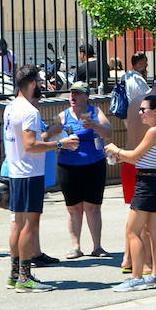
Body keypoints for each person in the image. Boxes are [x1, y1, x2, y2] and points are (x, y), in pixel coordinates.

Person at [5, 66, 78, 291]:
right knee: (29, 224)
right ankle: (24, 277)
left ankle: (15, 273)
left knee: (18, 223)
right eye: (39, 81)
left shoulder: (10, 107)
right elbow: (31, 145)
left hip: (17, 172)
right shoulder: (29, 111)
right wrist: (60, 143)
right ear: (33, 83)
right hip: (29, 173)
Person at [106, 93, 156, 290]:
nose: (140, 113)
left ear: (155, 111)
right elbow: (140, 158)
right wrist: (122, 157)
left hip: (147, 183)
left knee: (132, 231)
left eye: (144, 109)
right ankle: (155, 276)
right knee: (153, 233)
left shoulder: (153, 132)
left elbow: (134, 155)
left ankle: (136, 278)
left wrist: (116, 150)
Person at [52, 81, 113, 259]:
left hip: (94, 164)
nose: (73, 97)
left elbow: (109, 132)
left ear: (86, 96)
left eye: (78, 93)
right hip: (68, 166)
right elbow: (49, 133)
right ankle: (75, 246)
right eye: (72, 93)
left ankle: (97, 247)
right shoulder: (62, 115)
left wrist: (95, 125)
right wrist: (53, 131)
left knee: (93, 207)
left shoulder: (95, 112)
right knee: (73, 208)